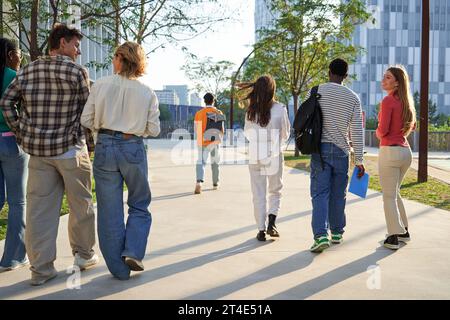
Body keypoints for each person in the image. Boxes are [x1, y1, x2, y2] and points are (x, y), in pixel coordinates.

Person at [0, 24, 98, 286]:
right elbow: (87, 113)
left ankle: (41, 270)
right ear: (62, 43)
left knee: (39, 211)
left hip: (39, 154)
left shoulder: (29, 69)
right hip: (70, 151)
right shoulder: (78, 72)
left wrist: (21, 131)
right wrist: (89, 146)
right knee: (81, 207)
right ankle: (83, 256)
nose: (78, 51)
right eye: (76, 45)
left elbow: (6, 102)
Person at [81, 41, 160, 280]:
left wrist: (103, 127)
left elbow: (86, 119)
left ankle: (119, 270)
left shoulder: (101, 85)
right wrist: (134, 129)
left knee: (108, 210)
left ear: (119, 58)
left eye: (115, 57)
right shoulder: (147, 92)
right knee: (139, 203)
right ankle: (134, 251)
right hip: (132, 147)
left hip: (105, 145)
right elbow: (154, 129)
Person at [308, 58, 365, 253]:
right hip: (342, 151)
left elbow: (308, 118)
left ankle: (320, 235)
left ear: (329, 71)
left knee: (320, 193)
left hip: (320, 150)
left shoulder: (316, 91)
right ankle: (337, 232)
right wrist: (359, 160)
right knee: (338, 194)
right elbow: (357, 130)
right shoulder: (353, 98)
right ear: (345, 76)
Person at [240, 75, 290, 241]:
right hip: (273, 152)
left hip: (255, 153)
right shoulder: (280, 108)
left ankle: (261, 229)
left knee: (258, 192)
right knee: (275, 190)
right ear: (272, 90)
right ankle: (272, 223)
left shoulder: (251, 111)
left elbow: (247, 132)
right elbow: (286, 133)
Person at [376, 65, 416, 250]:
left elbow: (382, 131)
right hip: (405, 152)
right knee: (395, 193)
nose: (384, 80)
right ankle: (404, 230)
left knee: (388, 196)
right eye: (384, 77)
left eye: (388, 78)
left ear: (397, 83)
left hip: (390, 151)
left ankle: (392, 237)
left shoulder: (387, 101)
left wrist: (377, 131)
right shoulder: (407, 102)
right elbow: (410, 128)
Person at [0, 38, 29, 273]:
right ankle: (13, 258)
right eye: (19, 53)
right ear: (10, 54)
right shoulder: (14, 77)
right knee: (17, 201)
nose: (21, 57)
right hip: (11, 142)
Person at [193, 93, 225, 194]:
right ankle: (215, 183)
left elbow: (196, 129)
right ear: (213, 101)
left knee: (201, 161)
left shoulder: (199, 113)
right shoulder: (218, 112)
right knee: (215, 162)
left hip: (202, 141)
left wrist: (200, 140)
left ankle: (199, 182)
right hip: (215, 141)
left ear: (204, 101)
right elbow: (222, 129)